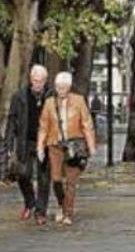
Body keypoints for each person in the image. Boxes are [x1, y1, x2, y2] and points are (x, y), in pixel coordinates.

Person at [37, 72, 96, 225]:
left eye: (63, 87)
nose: (60, 90)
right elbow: (43, 126)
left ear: (69, 87)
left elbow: (87, 124)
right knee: (56, 180)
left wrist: (91, 146)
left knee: (70, 181)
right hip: (55, 145)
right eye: (57, 87)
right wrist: (40, 147)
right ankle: (62, 205)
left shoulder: (78, 101)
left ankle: (68, 213)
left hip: (73, 146)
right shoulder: (49, 103)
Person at [6, 64, 53, 224]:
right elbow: (12, 120)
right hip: (25, 140)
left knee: (44, 178)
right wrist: (8, 143)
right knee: (23, 174)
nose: (37, 84)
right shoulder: (19, 96)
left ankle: (41, 212)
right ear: (30, 79)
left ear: (46, 80)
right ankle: (30, 202)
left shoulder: (51, 96)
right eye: (35, 80)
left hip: (45, 142)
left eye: (40, 81)